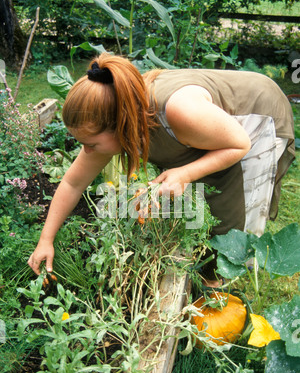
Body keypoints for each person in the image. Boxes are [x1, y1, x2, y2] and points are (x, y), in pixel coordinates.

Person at [28, 53, 295, 287]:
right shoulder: (118, 116)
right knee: (208, 195)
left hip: (254, 118)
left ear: (119, 123)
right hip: (212, 129)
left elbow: (239, 144)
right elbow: (73, 184)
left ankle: (224, 289)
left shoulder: (179, 111)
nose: (85, 151)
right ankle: (209, 277)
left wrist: (184, 173)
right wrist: (45, 240)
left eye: (91, 143)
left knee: (239, 219)